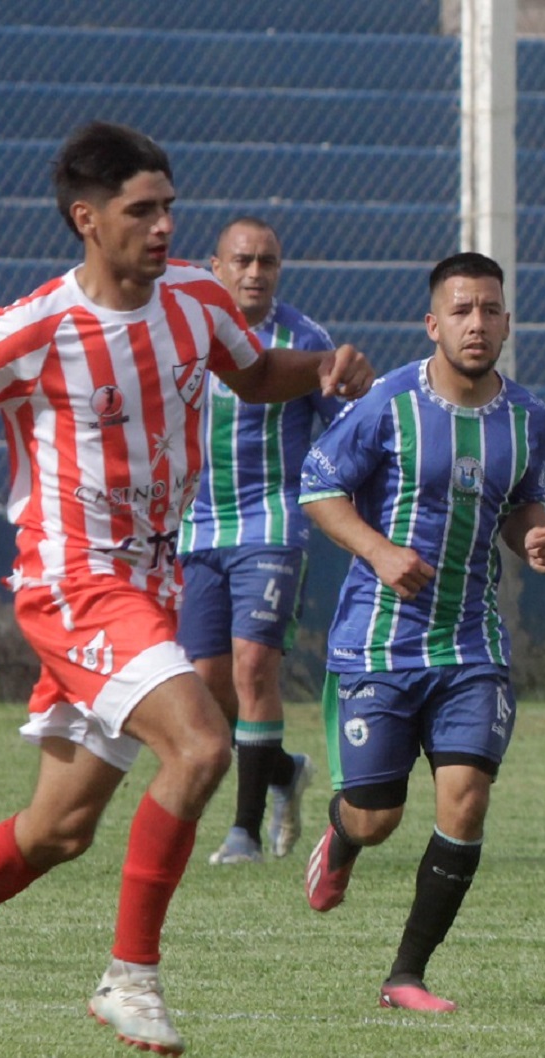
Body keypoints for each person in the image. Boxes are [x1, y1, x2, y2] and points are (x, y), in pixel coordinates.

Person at [0, 121, 372, 1058]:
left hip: (150, 578)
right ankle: (129, 971)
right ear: (86, 220)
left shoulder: (195, 300)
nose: (163, 224)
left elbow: (256, 373)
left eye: (169, 206)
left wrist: (324, 369)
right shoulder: (37, 327)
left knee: (59, 828)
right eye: (142, 210)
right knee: (202, 743)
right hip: (73, 581)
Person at [298, 251, 545, 1014]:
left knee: (466, 797)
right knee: (378, 815)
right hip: (380, 641)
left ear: (507, 321)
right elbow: (319, 488)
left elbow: (520, 504)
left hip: (471, 644)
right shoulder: (387, 405)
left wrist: (536, 537)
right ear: (433, 323)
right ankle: (342, 837)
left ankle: (405, 973)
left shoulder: (529, 419)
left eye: (489, 310)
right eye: (461, 310)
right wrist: (379, 551)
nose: (476, 323)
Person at [181, 216, 341, 866]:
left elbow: (343, 429)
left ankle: (242, 834)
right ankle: (281, 771)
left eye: (267, 262)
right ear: (215, 266)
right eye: (242, 260)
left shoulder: (304, 341)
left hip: (272, 524)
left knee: (254, 667)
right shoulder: (186, 335)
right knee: (209, 687)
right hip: (197, 525)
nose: (254, 272)